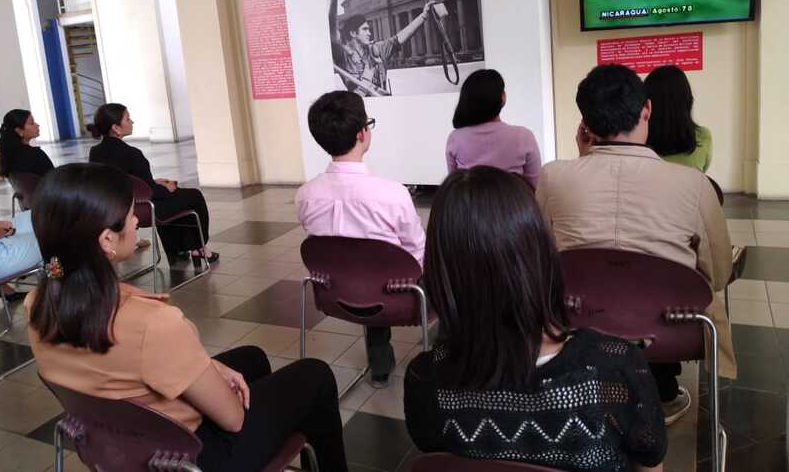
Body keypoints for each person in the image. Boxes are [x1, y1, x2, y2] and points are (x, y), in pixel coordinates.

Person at [25, 163, 348, 472]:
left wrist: (207, 367)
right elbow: (233, 419)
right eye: (130, 214)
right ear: (107, 239)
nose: (137, 221)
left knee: (252, 358)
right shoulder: (152, 323)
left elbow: (123, 368)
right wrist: (210, 377)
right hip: (187, 459)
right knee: (315, 375)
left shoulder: (37, 304)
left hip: (117, 445)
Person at [404, 167, 666, 471]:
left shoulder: (426, 380)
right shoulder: (616, 369)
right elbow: (650, 463)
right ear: (540, 255)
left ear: (440, 274)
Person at [535, 64, 735, 426]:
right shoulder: (694, 184)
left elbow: (541, 258)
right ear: (647, 110)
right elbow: (719, 274)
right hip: (673, 330)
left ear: (585, 123)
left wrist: (584, 161)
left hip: (578, 320)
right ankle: (659, 392)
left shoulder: (552, 177)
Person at [296, 91, 425, 387]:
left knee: (363, 269)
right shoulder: (392, 193)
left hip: (332, 295)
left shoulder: (305, 195)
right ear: (362, 133)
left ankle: (380, 365)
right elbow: (418, 252)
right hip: (398, 297)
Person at [88, 104, 215, 264]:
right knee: (193, 196)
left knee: (172, 198)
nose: (132, 122)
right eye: (128, 119)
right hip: (140, 211)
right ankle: (198, 248)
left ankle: (177, 251)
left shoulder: (95, 152)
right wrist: (167, 187)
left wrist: (153, 184)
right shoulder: (132, 154)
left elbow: (123, 181)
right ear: (116, 128)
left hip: (112, 209)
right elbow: (152, 193)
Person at [328, 0, 434, 96]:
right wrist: (334, 0)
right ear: (353, 33)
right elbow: (332, 34)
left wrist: (423, 16)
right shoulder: (344, 55)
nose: (369, 33)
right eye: (365, 29)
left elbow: (399, 38)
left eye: (369, 29)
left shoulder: (376, 50)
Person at [445, 69, 541, 187]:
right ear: (503, 98)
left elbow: (453, 188)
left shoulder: (456, 138)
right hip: (513, 199)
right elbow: (534, 186)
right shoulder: (524, 136)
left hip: (469, 199)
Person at [644, 65, 712, 172]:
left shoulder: (638, 141)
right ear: (688, 100)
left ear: (647, 104)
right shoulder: (703, 136)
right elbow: (702, 172)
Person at [0, 109, 54, 179]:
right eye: (32, 123)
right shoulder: (36, 155)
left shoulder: (8, 157)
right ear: (19, 131)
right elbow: (55, 180)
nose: (37, 125)